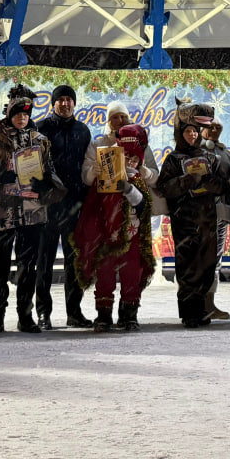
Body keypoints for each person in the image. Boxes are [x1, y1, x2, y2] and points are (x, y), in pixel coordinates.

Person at [0, 85, 65, 335]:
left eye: (26, 114)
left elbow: (50, 171)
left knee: (28, 266)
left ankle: (25, 316)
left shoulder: (40, 141)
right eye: (18, 113)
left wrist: (45, 183)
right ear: (9, 114)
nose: (22, 118)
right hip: (2, 211)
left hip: (31, 211)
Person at [70, 122, 156, 331]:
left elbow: (144, 206)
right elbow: (94, 206)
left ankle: (129, 315)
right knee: (105, 276)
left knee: (131, 275)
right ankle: (104, 315)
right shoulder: (104, 177)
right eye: (126, 157)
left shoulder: (137, 179)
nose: (130, 162)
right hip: (107, 237)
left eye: (134, 159)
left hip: (131, 238)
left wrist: (129, 190)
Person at [158, 99, 228, 327]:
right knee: (188, 267)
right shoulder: (173, 159)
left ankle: (203, 309)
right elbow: (163, 188)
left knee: (207, 265)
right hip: (184, 221)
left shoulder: (210, 157)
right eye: (188, 132)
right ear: (181, 134)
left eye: (195, 132)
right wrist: (184, 181)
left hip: (207, 221)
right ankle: (189, 313)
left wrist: (207, 181)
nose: (192, 135)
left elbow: (223, 186)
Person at [35, 83, 93, 330]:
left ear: (74, 103)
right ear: (53, 103)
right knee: (44, 261)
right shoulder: (40, 129)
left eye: (69, 99)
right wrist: (42, 191)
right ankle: (43, 313)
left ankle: (74, 312)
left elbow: (87, 167)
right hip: (48, 206)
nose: (65, 103)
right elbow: (33, 167)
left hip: (74, 206)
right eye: (61, 100)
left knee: (74, 262)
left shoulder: (83, 130)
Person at [201, 119, 230, 321]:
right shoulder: (194, 153)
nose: (214, 130)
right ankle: (196, 304)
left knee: (215, 260)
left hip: (221, 215)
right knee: (198, 260)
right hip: (198, 215)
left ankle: (209, 303)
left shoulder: (226, 154)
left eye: (218, 127)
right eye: (210, 127)